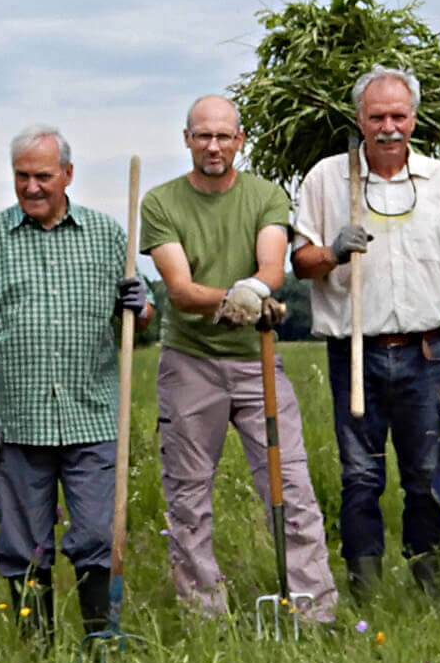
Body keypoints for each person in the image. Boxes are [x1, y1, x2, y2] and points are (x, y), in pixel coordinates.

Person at [0, 125, 152, 645]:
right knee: (23, 542)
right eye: (22, 176)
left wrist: (140, 305)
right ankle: (38, 652)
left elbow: (142, 322)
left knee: (98, 534)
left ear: (68, 176)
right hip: (16, 422)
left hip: (93, 415)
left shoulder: (106, 236)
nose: (32, 187)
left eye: (43, 176)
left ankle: (100, 641)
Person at [140, 94, 337, 619]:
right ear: (186, 139)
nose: (213, 145)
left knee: (289, 484)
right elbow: (179, 290)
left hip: (256, 361)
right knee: (187, 494)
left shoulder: (266, 195)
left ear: (240, 141)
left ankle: (313, 608)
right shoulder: (161, 203)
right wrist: (237, 299)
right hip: (190, 362)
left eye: (224, 136)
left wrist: (255, 287)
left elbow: (273, 264)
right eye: (203, 135)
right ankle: (203, 612)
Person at [290, 66, 440, 599]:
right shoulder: (327, 178)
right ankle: (365, 593)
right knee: (361, 476)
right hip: (356, 350)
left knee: (426, 473)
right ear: (359, 120)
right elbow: (300, 263)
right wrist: (333, 252)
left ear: (414, 119)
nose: (388, 127)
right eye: (376, 116)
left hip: (427, 350)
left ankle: (427, 587)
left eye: (398, 116)